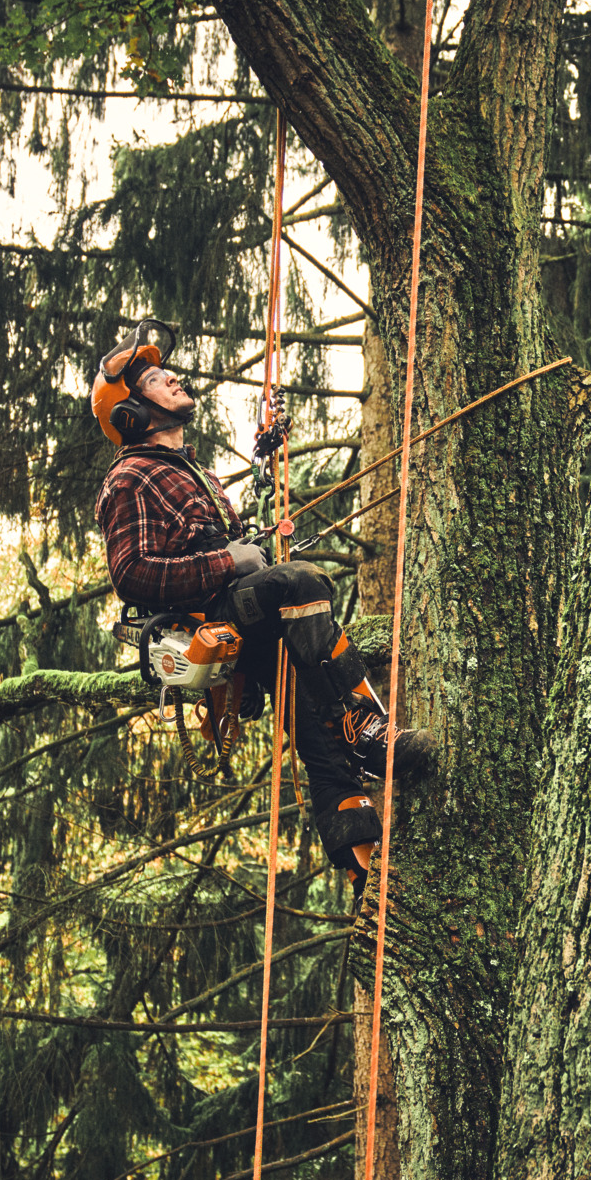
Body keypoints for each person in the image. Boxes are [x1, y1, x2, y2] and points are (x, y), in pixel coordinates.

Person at [90, 321, 419, 888]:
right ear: (130, 413)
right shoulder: (131, 478)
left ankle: (367, 872)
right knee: (300, 582)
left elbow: (222, 546)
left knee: (317, 735)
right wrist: (230, 563)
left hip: (243, 613)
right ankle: (363, 725)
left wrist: (254, 510)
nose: (171, 376)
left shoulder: (193, 473)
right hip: (208, 618)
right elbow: (131, 574)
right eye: (151, 377)